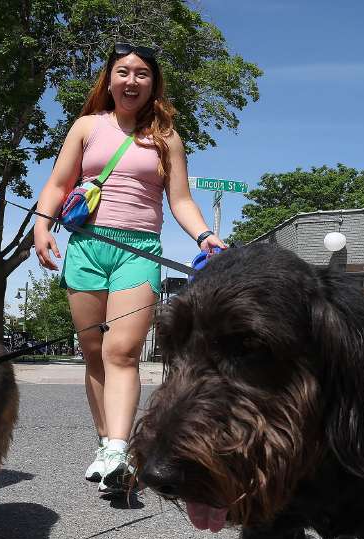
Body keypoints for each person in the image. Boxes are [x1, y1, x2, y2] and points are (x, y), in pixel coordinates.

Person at [32, 42, 226, 496]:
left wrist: (204, 237)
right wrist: (42, 227)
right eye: (123, 72)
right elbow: (58, 184)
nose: (132, 80)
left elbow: (180, 200)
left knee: (123, 351)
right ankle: (106, 445)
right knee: (94, 353)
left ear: (153, 84)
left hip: (139, 251)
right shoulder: (86, 127)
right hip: (87, 246)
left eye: (142, 74)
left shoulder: (167, 138)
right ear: (110, 79)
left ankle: (120, 450)